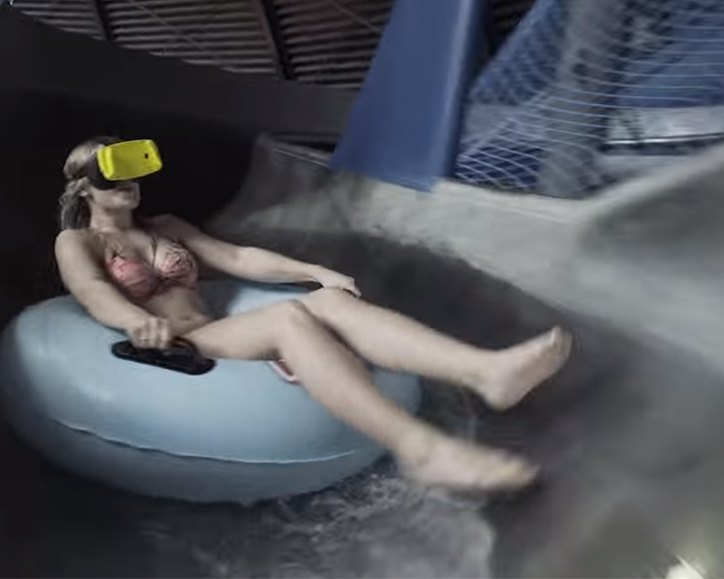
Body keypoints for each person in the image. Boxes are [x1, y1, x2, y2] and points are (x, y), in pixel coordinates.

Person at [54, 136, 571, 492]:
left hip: (218, 331)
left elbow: (236, 258)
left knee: (329, 303)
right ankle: (420, 450)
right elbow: (93, 291)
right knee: (287, 319)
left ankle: (486, 372)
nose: (130, 182)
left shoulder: (166, 225)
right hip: (175, 346)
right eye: (114, 175)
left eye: (133, 172)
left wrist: (314, 272)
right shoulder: (77, 242)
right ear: (84, 187)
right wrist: (133, 321)